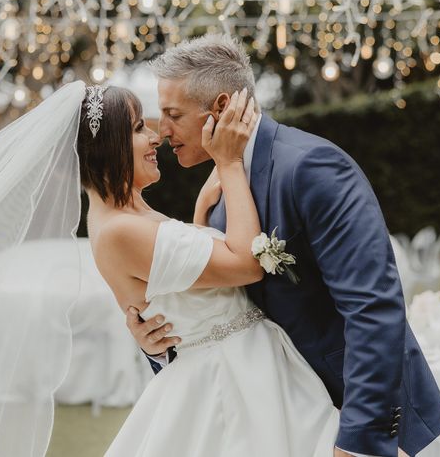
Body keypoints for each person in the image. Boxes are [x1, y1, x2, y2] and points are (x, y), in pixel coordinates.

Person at [124, 33, 440, 457]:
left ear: (221, 108)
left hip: (355, 418)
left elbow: (373, 306)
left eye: (172, 114)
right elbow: (227, 309)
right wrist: (160, 339)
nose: (161, 129)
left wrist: (360, 441)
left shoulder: (313, 167)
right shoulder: (223, 186)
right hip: (280, 417)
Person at [80, 84, 339, 456]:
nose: (155, 137)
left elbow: (186, 281)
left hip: (250, 370)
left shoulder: (125, 215)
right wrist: (230, 164)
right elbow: (246, 265)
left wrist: (200, 216)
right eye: (139, 128)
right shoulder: (120, 229)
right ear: (106, 145)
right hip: (234, 384)